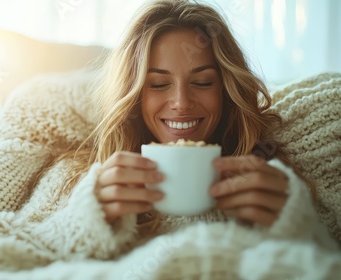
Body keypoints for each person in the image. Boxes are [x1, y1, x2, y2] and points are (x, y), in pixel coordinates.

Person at [44, 0, 316, 234]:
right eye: (159, 85)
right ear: (134, 96)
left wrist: (295, 224)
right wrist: (86, 221)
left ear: (226, 91)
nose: (181, 104)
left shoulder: (276, 176)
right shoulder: (81, 181)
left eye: (202, 82)